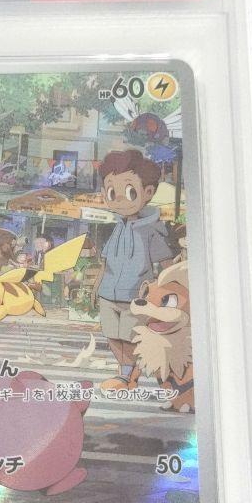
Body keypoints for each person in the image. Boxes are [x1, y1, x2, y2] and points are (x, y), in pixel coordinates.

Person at [90, 149, 174, 389]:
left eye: (129, 192)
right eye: (111, 192)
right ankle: (125, 373)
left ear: (148, 192)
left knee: (130, 336)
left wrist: (166, 294)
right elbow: (105, 261)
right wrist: (96, 287)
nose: (119, 200)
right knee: (111, 334)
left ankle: (128, 375)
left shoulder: (151, 230)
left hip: (136, 296)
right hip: (108, 293)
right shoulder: (117, 226)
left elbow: (166, 264)